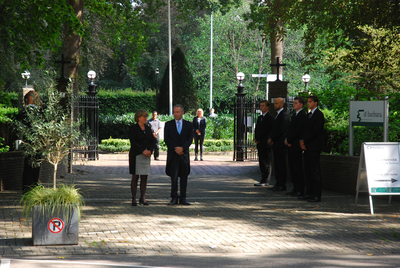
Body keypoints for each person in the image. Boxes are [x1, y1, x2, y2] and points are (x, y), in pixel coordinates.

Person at [164, 104, 194, 205]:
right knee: (174, 177)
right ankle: (174, 198)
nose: (175, 114)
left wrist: (183, 148)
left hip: (184, 155)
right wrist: (176, 148)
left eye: (177, 112)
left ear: (182, 112)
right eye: (174, 112)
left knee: (184, 177)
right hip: (173, 155)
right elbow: (167, 139)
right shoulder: (168, 124)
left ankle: (183, 198)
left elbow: (190, 138)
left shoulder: (189, 125)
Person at [299, 95, 325, 202]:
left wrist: (304, 140)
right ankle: (309, 192)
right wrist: (302, 141)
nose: (308, 103)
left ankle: (317, 194)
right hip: (308, 147)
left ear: (315, 103)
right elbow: (306, 129)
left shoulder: (319, 115)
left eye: (310, 102)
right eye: (307, 101)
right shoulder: (309, 115)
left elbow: (316, 131)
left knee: (314, 171)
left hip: (314, 147)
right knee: (308, 170)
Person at [128, 109, 156, 206]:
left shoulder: (148, 128)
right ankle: (134, 199)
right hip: (136, 155)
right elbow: (133, 142)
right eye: (144, 116)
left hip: (146, 156)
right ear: (139, 117)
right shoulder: (133, 128)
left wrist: (150, 151)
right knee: (135, 178)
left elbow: (153, 141)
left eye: (146, 116)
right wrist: (142, 150)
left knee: (144, 178)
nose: (146, 118)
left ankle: (143, 198)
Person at [284, 96, 307, 197]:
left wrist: (289, 140)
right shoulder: (294, 115)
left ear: (301, 105)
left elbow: (298, 131)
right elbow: (290, 129)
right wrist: (286, 139)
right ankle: (295, 188)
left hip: (296, 145)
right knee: (292, 168)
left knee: (297, 168)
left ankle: (300, 189)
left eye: (296, 103)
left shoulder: (302, 115)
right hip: (290, 145)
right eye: (293, 103)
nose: (294, 105)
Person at [268, 97, 290, 191]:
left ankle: (282, 184)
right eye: (274, 103)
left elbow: (281, 130)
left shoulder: (284, 115)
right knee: (276, 164)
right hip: (276, 144)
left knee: (281, 165)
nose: (274, 105)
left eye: (276, 103)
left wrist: (272, 138)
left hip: (280, 144)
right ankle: (277, 183)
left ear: (281, 104)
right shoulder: (276, 115)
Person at [253, 100, 274, 187]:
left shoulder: (269, 118)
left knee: (266, 162)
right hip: (260, 143)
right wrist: (255, 137)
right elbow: (257, 129)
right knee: (261, 161)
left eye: (263, 106)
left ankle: (266, 180)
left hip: (265, 143)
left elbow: (266, 130)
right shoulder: (260, 117)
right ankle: (262, 179)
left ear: (267, 107)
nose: (261, 107)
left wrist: (259, 138)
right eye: (260, 105)